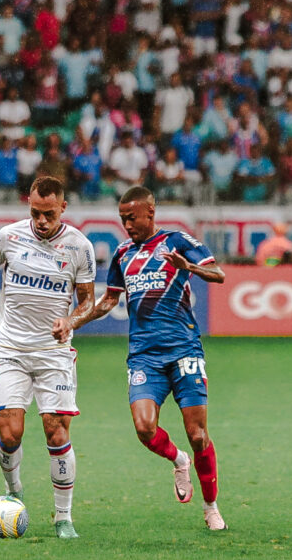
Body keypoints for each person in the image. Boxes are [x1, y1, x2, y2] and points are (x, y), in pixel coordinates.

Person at [0, 176, 97, 539]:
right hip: (10, 348)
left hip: (53, 352)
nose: (42, 221)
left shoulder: (80, 247)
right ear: (27, 203)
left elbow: (89, 300)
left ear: (63, 208)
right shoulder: (9, 237)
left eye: (49, 214)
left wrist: (71, 319)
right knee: (10, 433)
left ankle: (63, 518)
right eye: (35, 212)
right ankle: (13, 491)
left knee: (55, 429)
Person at [70, 186, 229, 531]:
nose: (126, 225)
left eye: (131, 217)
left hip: (184, 349)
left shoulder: (178, 241)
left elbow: (219, 274)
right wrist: (73, 322)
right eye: (122, 219)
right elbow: (109, 302)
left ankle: (211, 506)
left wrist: (189, 268)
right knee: (144, 429)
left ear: (150, 213)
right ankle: (178, 459)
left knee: (198, 433)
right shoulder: (123, 254)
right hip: (144, 356)